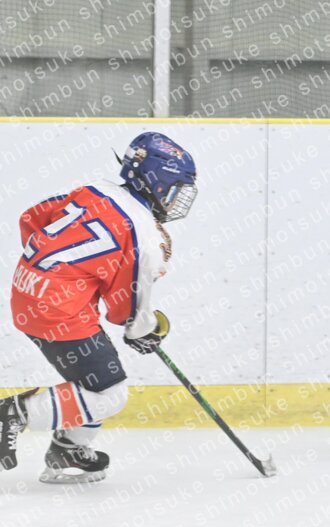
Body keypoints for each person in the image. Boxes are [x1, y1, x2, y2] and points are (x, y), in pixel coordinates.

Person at [0, 132, 198, 483]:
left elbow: (31, 218)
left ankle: (68, 450)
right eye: (173, 190)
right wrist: (143, 330)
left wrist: (55, 271)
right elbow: (127, 310)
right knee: (110, 393)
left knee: (96, 378)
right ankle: (14, 413)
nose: (174, 201)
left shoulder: (93, 189)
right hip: (58, 310)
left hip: (27, 290)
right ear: (155, 181)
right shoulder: (145, 236)